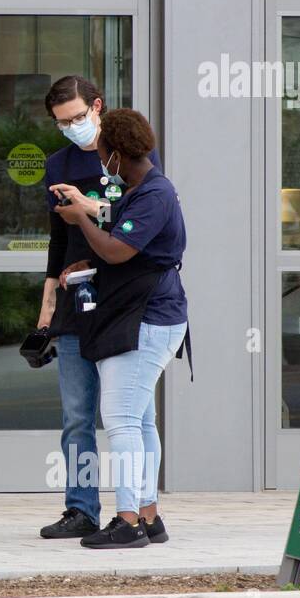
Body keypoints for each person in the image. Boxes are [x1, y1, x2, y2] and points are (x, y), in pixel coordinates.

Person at [54, 108, 188, 550]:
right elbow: (120, 250)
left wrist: (82, 221)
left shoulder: (154, 194)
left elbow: (118, 250)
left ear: (114, 152)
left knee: (123, 421)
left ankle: (127, 520)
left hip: (145, 320)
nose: (100, 158)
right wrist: (83, 263)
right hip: (146, 316)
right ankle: (149, 516)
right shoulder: (140, 190)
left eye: (102, 151)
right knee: (143, 420)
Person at [37, 76, 159, 541]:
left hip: (124, 300)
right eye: (61, 123)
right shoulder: (58, 165)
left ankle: (143, 512)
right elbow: (58, 237)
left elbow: (137, 224)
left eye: (76, 118)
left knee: (132, 415)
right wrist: (48, 297)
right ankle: (81, 508)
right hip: (75, 297)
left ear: (97, 107)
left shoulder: (130, 155)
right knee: (76, 415)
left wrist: (87, 207)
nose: (71, 127)